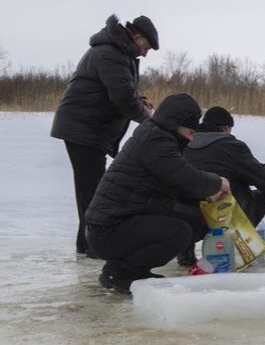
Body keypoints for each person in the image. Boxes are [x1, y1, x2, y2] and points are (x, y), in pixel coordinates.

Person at [85, 94, 229, 294]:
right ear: (176, 124)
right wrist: (217, 183)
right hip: (108, 230)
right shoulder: (156, 140)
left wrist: (205, 195)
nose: (190, 139)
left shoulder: (156, 136)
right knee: (179, 232)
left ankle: (119, 269)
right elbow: (185, 177)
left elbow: (176, 183)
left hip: (118, 224)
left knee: (195, 220)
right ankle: (124, 273)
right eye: (189, 132)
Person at [50, 14, 159, 258]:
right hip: (83, 128)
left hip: (89, 128)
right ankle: (91, 245)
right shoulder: (111, 52)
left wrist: (138, 100)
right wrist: (153, 123)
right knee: (92, 190)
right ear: (136, 36)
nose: (145, 54)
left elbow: (119, 91)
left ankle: (87, 243)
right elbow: (121, 98)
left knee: (93, 188)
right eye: (146, 47)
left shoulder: (118, 51)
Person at [180, 107, 265, 265]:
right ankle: (236, 247)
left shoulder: (184, 143)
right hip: (222, 215)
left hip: (186, 215)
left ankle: (185, 256)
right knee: (263, 195)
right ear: (225, 128)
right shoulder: (230, 145)